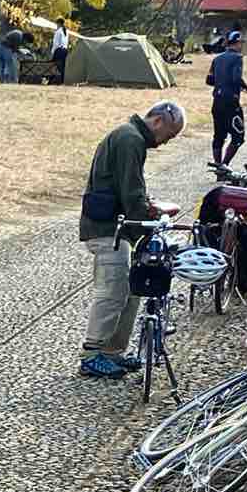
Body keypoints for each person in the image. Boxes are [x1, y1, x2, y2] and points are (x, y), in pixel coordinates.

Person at [77, 102, 186, 380]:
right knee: (113, 291)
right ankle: (91, 354)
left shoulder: (129, 136)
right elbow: (131, 191)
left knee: (130, 290)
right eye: (169, 135)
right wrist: (146, 223)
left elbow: (129, 189)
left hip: (117, 226)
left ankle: (112, 352)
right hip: (108, 227)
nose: (165, 142)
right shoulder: (130, 139)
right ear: (158, 121)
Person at [209, 30, 247, 167]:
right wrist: (244, 86)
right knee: (238, 136)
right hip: (231, 103)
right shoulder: (237, 58)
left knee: (219, 136)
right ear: (237, 43)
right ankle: (225, 165)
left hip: (217, 102)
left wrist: (221, 83)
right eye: (241, 43)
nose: (241, 46)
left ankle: (218, 166)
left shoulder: (217, 59)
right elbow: (236, 78)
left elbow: (209, 80)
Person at [52, 19, 70, 84]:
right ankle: (62, 80)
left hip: (59, 50)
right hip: (65, 50)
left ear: (59, 23)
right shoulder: (66, 31)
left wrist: (53, 52)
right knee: (63, 66)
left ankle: (57, 80)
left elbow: (56, 43)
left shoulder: (58, 31)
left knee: (58, 66)